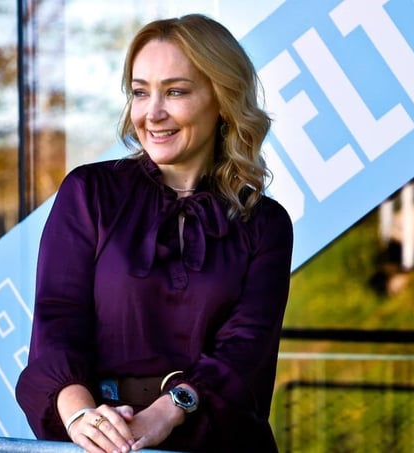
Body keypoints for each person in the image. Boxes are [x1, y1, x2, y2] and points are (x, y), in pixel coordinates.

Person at [15, 14, 293, 452]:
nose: (152, 113)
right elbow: (57, 321)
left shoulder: (265, 223)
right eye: (141, 92)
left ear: (222, 100)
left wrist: (167, 411)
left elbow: (246, 349)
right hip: (101, 443)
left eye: (175, 91)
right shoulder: (90, 192)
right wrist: (83, 418)